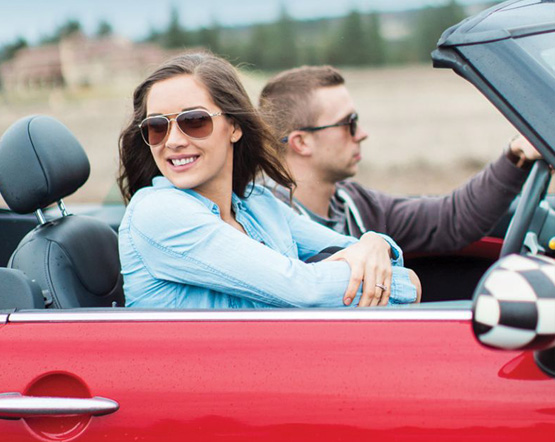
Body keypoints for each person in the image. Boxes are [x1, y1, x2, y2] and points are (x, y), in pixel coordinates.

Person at [117, 51, 421, 309]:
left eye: (193, 121)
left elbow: (384, 264)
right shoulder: (158, 212)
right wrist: (399, 284)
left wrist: (374, 244)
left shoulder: (258, 203)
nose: (172, 141)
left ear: (234, 127)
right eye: (157, 127)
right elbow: (305, 292)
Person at [258, 65, 542, 253]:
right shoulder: (265, 225)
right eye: (349, 124)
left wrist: (516, 156)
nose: (362, 134)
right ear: (301, 142)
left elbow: (451, 219)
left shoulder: (354, 204)